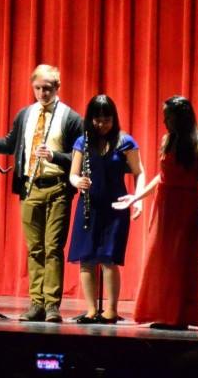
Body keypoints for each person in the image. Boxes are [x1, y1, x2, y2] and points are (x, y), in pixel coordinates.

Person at [0, 64, 83, 323]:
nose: (42, 93)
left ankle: (52, 305)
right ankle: (36, 304)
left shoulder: (71, 118)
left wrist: (55, 156)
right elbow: (9, 144)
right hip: (30, 187)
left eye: (48, 89)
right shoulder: (26, 115)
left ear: (58, 88)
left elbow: (80, 157)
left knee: (53, 248)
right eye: (38, 88)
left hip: (58, 188)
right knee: (35, 249)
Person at [119, 95, 198, 330]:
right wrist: (137, 197)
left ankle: (178, 316)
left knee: (180, 260)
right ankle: (161, 313)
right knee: (160, 259)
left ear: (181, 118)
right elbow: (162, 176)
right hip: (164, 203)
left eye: (168, 116)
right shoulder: (167, 140)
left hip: (186, 204)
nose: (164, 121)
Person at [67, 94, 146, 324]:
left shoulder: (125, 142)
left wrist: (137, 199)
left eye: (107, 120)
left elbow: (139, 172)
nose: (102, 125)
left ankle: (110, 310)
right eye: (97, 120)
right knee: (87, 259)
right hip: (88, 206)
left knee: (109, 258)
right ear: (90, 119)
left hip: (115, 207)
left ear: (114, 118)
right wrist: (77, 182)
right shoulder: (82, 142)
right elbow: (73, 173)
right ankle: (91, 310)